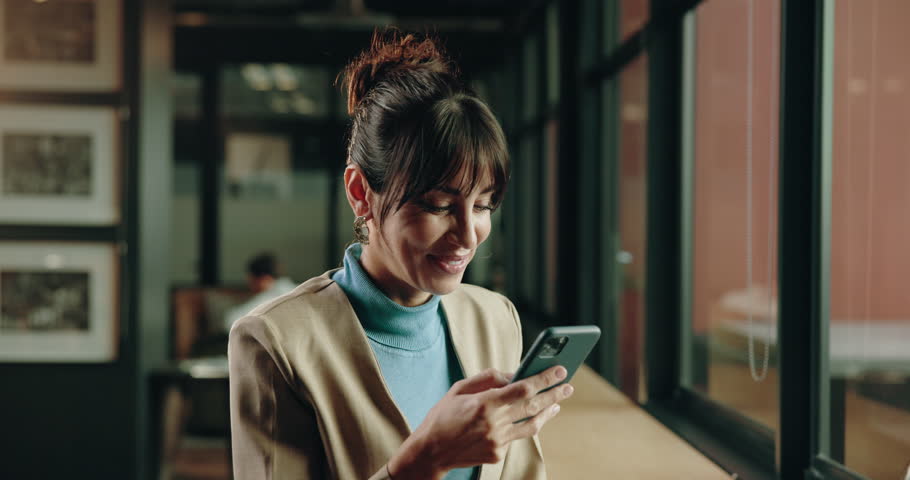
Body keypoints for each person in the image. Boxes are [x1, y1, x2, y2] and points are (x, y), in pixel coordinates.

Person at [228, 30, 574, 480]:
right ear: (360, 193)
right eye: (438, 205)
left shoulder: (494, 319)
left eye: (484, 204)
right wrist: (423, 461)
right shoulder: (276, 342)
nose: (468, 235)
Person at [222, 252, 296, 331]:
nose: (249, 284)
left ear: (261, 279)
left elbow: (232, 322)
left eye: (251, 280)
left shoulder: (268, 297)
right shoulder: (299, 290)